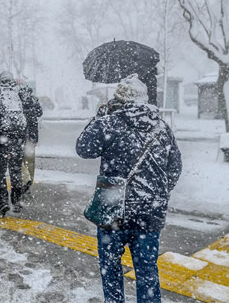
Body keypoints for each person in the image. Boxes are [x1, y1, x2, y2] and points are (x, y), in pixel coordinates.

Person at [76, 74, 182, 303]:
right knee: (147, 270)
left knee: (111, 268)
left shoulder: (107, 124)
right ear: (145, 99)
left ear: (118, 99)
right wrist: (155, 194)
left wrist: (99, 116)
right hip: (150, 212)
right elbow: (174, 168)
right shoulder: (162, 128)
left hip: (113, 209)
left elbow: (83, 148)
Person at [0, 71, 27, 217]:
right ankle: (16, 202)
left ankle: (3, 202)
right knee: (16, 171)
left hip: (2, 139)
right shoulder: (18, 93)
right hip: (17, 139)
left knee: (0, 174)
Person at [15, 80, 43, 196]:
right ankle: (28, 184)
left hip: (17, 135)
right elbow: (39, 113)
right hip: (31, 135)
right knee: (30, 162)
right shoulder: (33, 97)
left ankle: (25, 179)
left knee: (17, 160)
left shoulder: (14, 98)